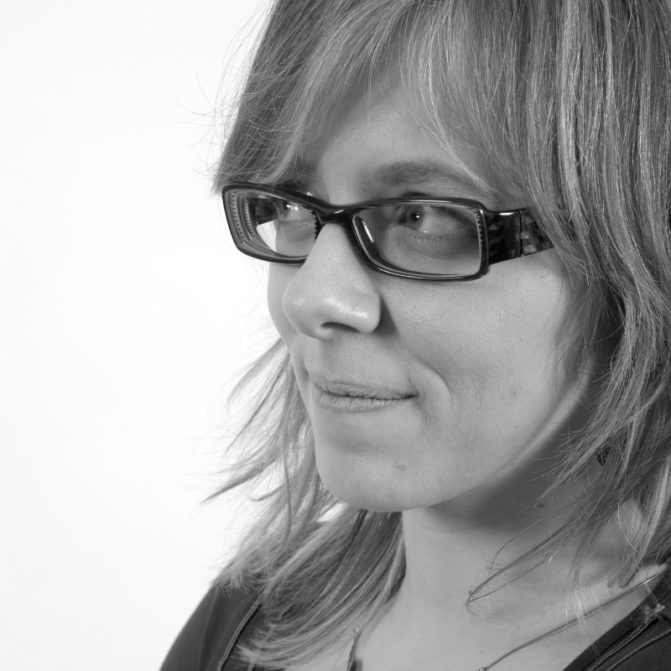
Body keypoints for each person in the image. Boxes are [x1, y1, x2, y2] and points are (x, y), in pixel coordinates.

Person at [161, 1, 671, 669]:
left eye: (422, 216)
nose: (311, 298)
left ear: (632, 251)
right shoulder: (250, 615)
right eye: (287, 205)